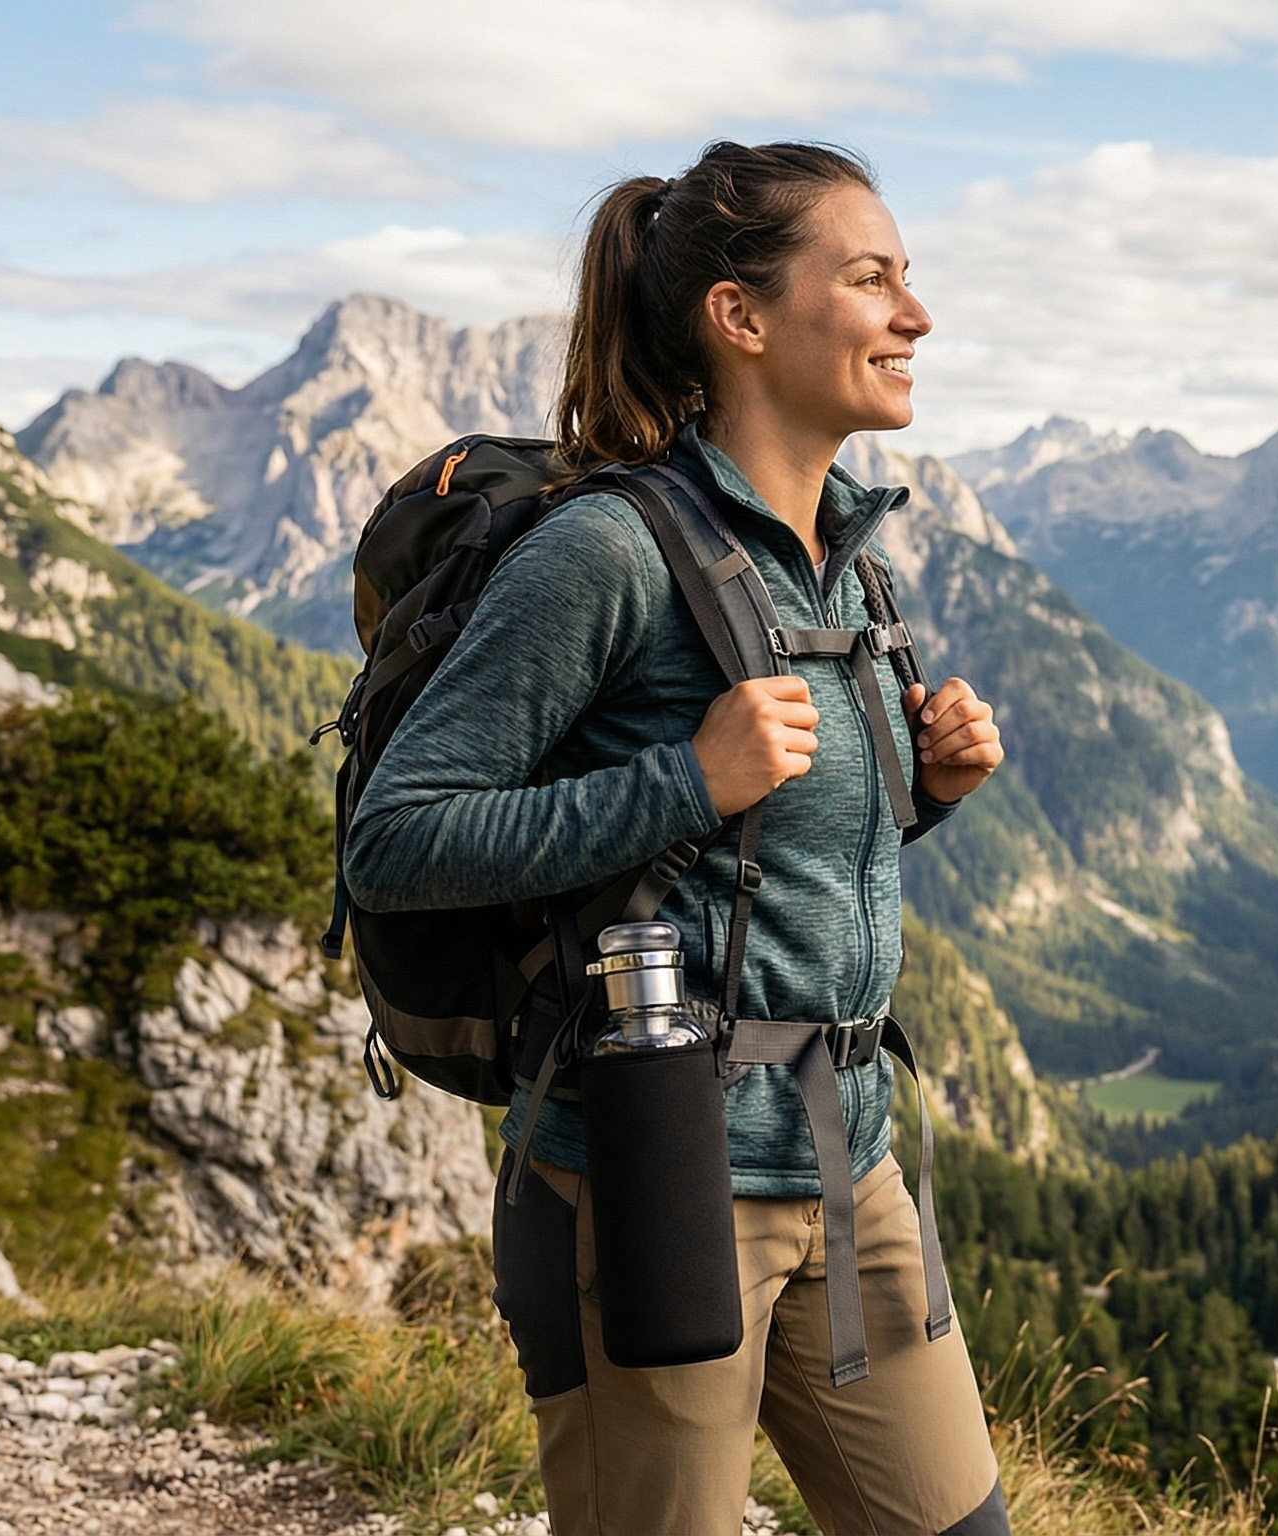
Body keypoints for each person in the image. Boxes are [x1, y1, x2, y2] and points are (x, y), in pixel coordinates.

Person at [342, 141, 1009, 1536]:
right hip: (653, 1171)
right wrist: (682, 780)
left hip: (850, 1157)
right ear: (742, 317)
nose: (918, 315)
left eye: (911, 279)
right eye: (874, 277)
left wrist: (926, 795)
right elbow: (397, 839)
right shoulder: (609, 553)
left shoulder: (846, 554)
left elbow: (771, 865)